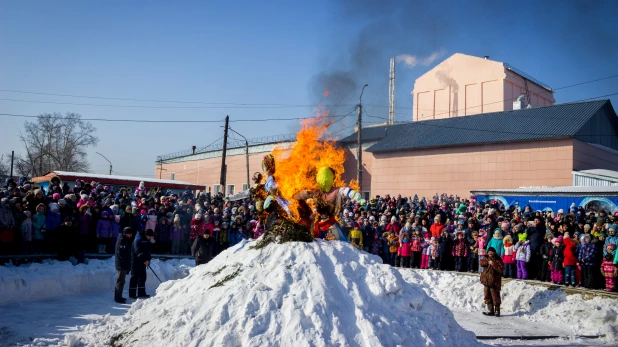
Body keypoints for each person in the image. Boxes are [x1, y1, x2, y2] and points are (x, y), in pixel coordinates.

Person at [480, 247, 504, 317]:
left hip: (494, 282)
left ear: (494, 253)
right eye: (489, 252)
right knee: (487, 296)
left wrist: (493, 264)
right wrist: (488, 262)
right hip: (486, 281)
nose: (490, 253)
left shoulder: (498, 259)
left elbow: (501, 269)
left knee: (495, 296)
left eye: (492, 252)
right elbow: (481, 263)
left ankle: (497, 311)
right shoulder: (485, 258)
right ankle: (490, 310)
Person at [129, 229, 153, 299]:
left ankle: (141, 293)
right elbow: (138, 251)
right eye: (149, 236)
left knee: (142, 277)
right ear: (146, 234)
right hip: (136, 261)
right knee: (134, 277)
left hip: (143, 261)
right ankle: (132, 294)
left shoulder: (147, 240)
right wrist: (144, 260)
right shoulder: (138, 239)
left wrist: (148, 260)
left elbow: (148, 251)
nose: (150, 238)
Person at [115, 227, 133, 303]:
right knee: (120, 281)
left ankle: (119, 296)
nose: (131, 235)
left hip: (124, 263)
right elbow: (122, 254)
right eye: (130, 233)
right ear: (126, 233)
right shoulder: (122, 240)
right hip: (122, 264)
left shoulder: (125, 239)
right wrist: (126, 264)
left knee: (122, 281)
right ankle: (118, 297)